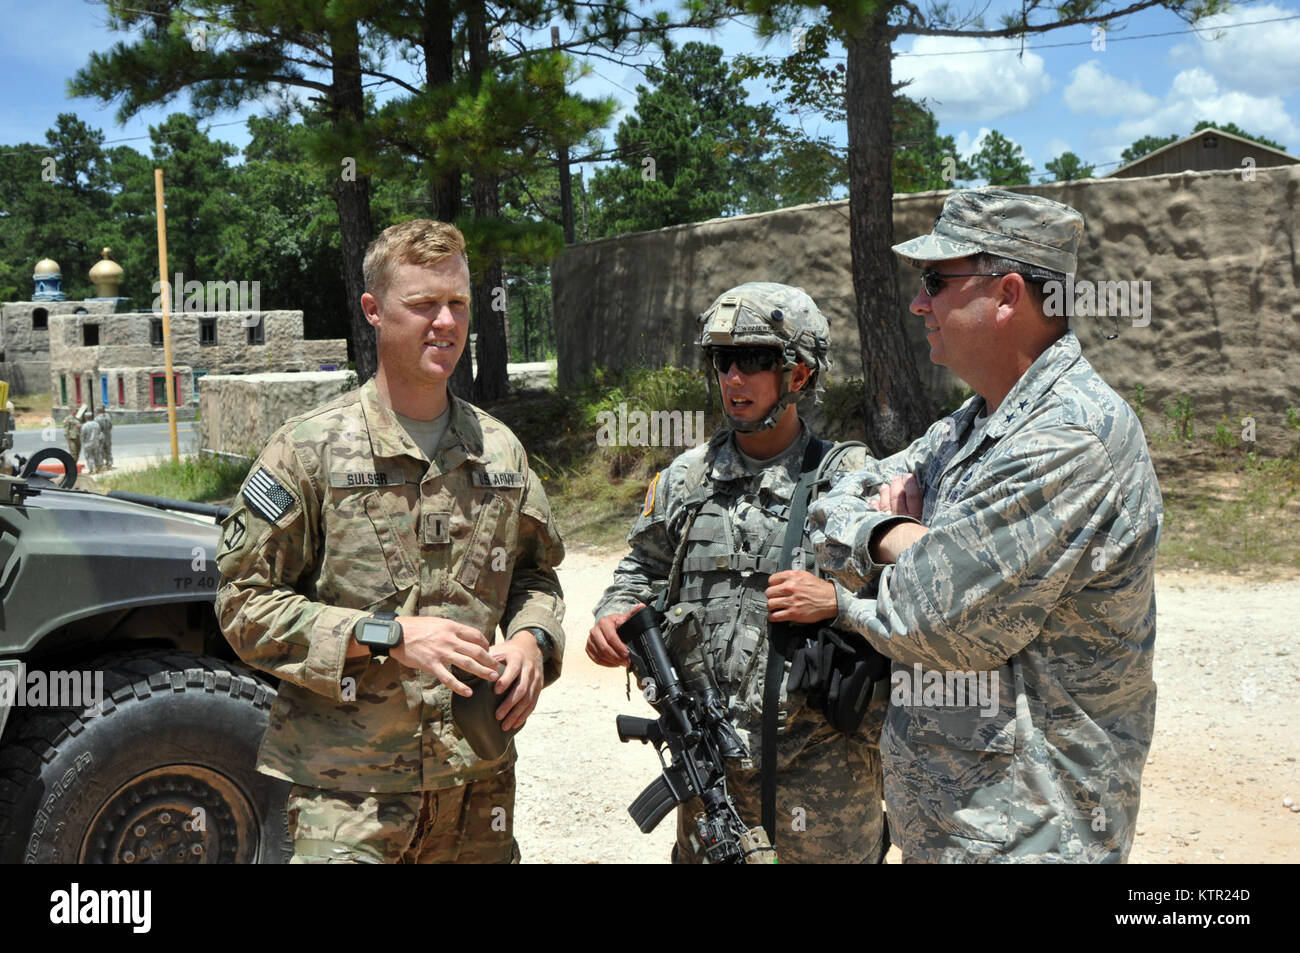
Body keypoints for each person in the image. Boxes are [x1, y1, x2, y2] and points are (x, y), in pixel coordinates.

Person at [808, 188, 1163, 863]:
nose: (920, 303)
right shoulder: (973, 423)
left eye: (937, 281)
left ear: (1005, 296)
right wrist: (901, 539)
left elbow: (931, 618)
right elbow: (833, 498)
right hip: (955, 826)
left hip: (1033, 835)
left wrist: (886, 541)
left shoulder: (1070, 436)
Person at [216, 219, 566, 864]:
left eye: (457, 303)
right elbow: (243, 606)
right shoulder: (308, 448)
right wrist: (389, 635)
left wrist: (531, 640)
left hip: (475, 779)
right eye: (423, 304)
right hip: (348, 792)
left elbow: (536, 579)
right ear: (374, 311)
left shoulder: (501, 450)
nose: (445, 322)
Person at [588, 283, 888, 864]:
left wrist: (834, 600)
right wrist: (612, 616)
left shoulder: (850, 480)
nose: (733, 378)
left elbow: (911, 606)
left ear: (799, 375)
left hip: (825, 784)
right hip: (713, 781)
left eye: (754, 360)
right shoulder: (686, 478)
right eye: (723, 361)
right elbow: (641, 569)